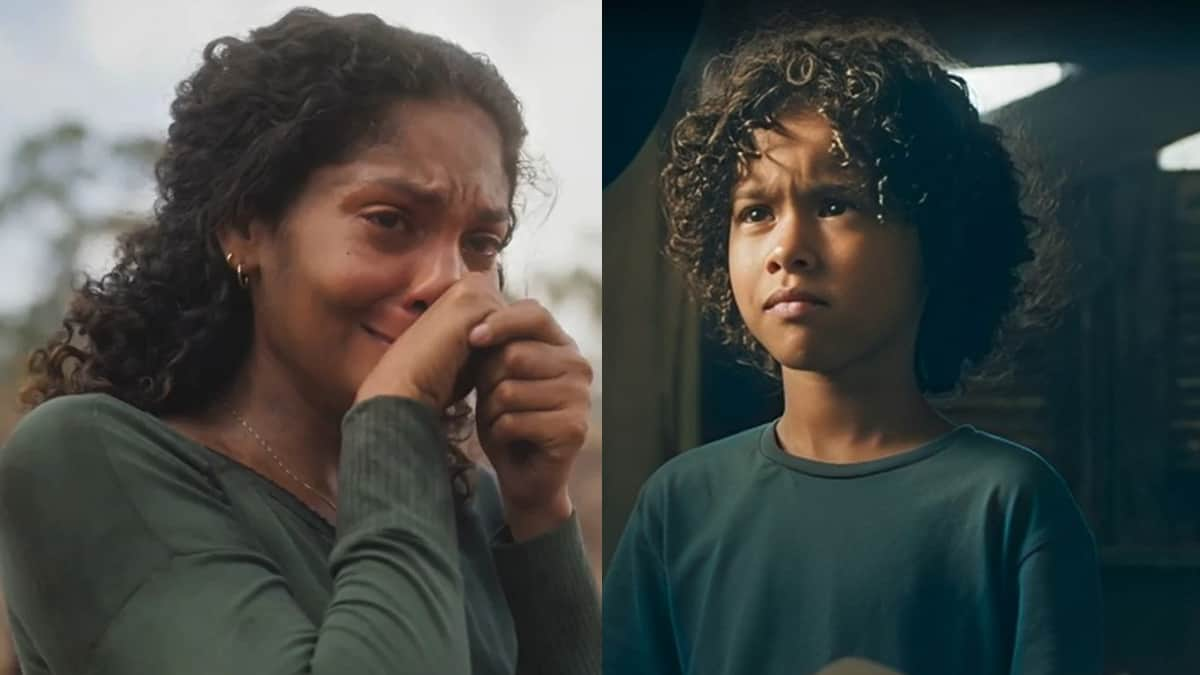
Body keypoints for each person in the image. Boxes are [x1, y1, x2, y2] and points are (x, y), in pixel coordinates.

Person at [0, 8, 598, 675]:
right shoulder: (81, 465)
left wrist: (540, 507)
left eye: (480, 243)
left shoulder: (472, 508)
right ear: (244, 226)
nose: (450, 284)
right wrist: (397, 402)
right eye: (390, 220)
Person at [603, 18, 1101, 675]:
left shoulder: (1012, 506)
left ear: (940, 239)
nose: (787, 248)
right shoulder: (676, 506)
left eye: (836, 204)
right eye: (755, 211)